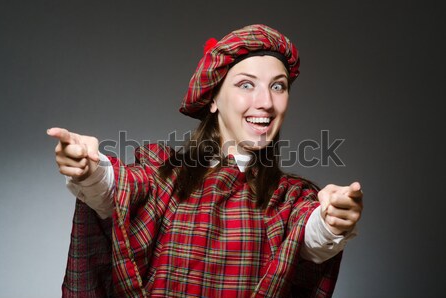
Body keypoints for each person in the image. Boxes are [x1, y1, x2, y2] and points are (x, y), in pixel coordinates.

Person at [48, 24, 363, 297]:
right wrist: (90, 168)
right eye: (246, 84)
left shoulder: (289, 199)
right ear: (213, 98)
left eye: (277, 86)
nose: (266, 102)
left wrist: (329, 218)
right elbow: (119, 189)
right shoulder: (163, 177)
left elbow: (308, 237)